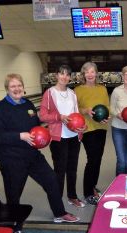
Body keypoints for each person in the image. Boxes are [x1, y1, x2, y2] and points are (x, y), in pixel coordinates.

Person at [0, 74, 80, 233]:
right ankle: (13, 229)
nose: (16, 89)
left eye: (19, 85)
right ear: (7, 89)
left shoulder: (28, 105)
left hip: (31, 155)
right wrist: (19, 136)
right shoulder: (0, 109)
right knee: (14, 194)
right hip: (11, 158)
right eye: (12, 86)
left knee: (51, 180)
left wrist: (45, 131)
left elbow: (36, 126)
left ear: (23, 87)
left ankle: (59, 213)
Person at [40, 65, 86, 208]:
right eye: (62, 74)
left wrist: (83, 127)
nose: (64, 77)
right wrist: (59, 117)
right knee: (59, 170)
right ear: (57, 75)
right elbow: (43, 115)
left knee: (72, 169)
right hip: (58, 137)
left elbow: (77, 114)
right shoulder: (50, 93)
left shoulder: (72, 93)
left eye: (67, 74)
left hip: (74, 137)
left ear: (70, 77)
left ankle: (72, 196)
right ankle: (57, 199)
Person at [74, 62, 110, 205]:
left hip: (101, 127)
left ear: (96, 73)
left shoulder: (102, 89)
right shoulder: (77, 90)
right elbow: (76, 109)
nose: (90, 74)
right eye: (87, 72)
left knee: (98, 159)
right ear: (83, 74)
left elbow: (106, 106)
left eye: (92, 71)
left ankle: (93, 186)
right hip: (87, 128)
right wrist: (86, 111)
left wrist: (105, 117)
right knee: (92, 159)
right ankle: (88, 192)